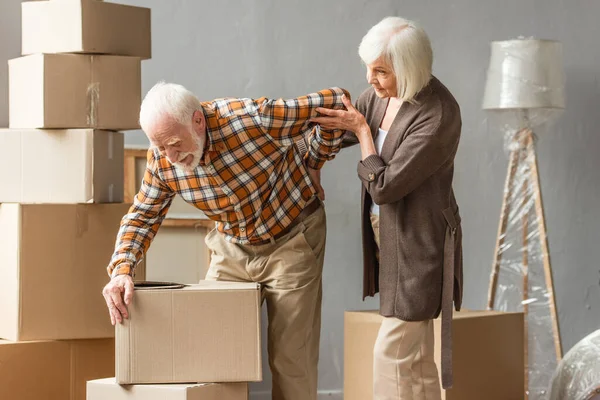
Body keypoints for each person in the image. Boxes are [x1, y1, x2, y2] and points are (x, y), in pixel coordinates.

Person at [102, 81, 350, 400]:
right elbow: (142, 215)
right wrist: (122, 268)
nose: (170, 156)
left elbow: (336, 100)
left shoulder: (252, 119)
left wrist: (316, 160)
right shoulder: (163, 159)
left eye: (175, 144)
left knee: (291, 359)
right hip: (232, 243)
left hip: (292, 236)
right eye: (159, 147)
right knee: (211, 351)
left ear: (198, 121)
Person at [310, 16, 463, 399]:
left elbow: (384, 187)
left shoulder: (437, 114)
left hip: (419, 243)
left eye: (380, 70)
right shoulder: (381, 96)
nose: (370, 79)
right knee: (417, 359)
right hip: (388, 239)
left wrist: (363, 132)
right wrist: (307, 155)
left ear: (409, 69)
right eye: (368, 68)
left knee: (391, 354)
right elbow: (335, 129)